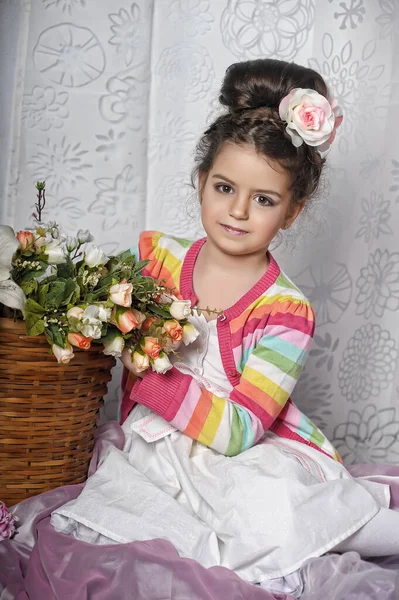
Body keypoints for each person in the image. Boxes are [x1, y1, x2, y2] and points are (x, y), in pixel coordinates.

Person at [51, 58, 399, 597]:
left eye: (263, 200)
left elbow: (239, 431)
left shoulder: (286, 311)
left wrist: (150, 381)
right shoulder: (155, 260)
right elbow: (95, 319)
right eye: (223, 187)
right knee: (130, 506)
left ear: (292, 211)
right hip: (157, 443)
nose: (237, 211)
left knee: (267, 514)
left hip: (242, 448)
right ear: (200, 181)